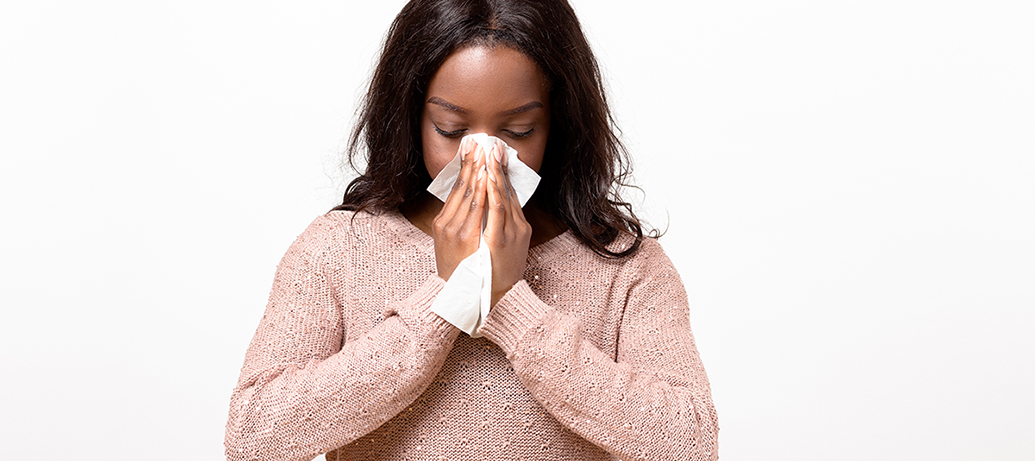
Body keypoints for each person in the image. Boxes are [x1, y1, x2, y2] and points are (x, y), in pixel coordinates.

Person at [225, 0, 719, 459]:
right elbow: (253, 436)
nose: (484, 158)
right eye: (452, 130)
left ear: (558, 122)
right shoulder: (338, 248)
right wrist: (449, 297)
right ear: (413, 117)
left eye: (519, 131)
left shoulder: (624, 266)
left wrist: (509, 302)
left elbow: (689, 442)